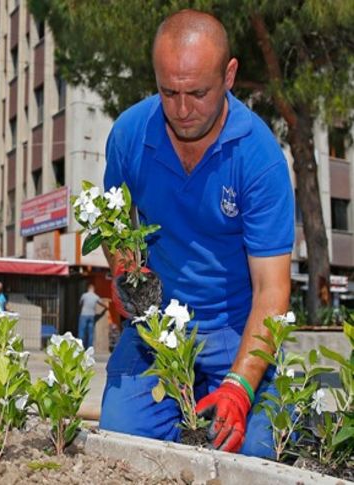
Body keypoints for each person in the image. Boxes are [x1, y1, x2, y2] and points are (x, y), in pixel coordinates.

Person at [100, 10, 294, 459]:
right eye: (169, 92)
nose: (183, 110)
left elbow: (272, 288)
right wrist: (126, 270)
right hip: (156, 331)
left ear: (229, 75)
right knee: (119, 445)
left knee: (258, 454)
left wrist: (242, 385)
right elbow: (111, 224)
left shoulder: (260, 157)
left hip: (235, 330)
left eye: (198, 93)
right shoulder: (130, 134)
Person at [78, 282, 107, 348]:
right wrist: (106, 307)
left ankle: (80, 347)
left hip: (84, 315)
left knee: (82, 331)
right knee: (90, 333)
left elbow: (80, 303)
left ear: (88, 289)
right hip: (91, 315)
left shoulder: (84, 295)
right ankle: (90, 348)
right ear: (93, 289)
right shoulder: (96, 296)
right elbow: (101, 303)